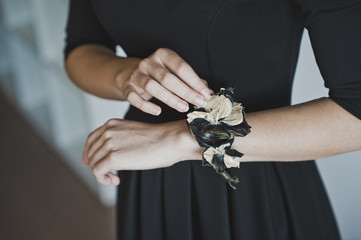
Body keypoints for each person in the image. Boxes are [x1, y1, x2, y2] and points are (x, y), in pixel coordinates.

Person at [64, 0, 361, 239]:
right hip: (148, 166)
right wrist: (128, 75)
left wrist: (180, 138)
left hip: (252, 175)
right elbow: (80, 47)